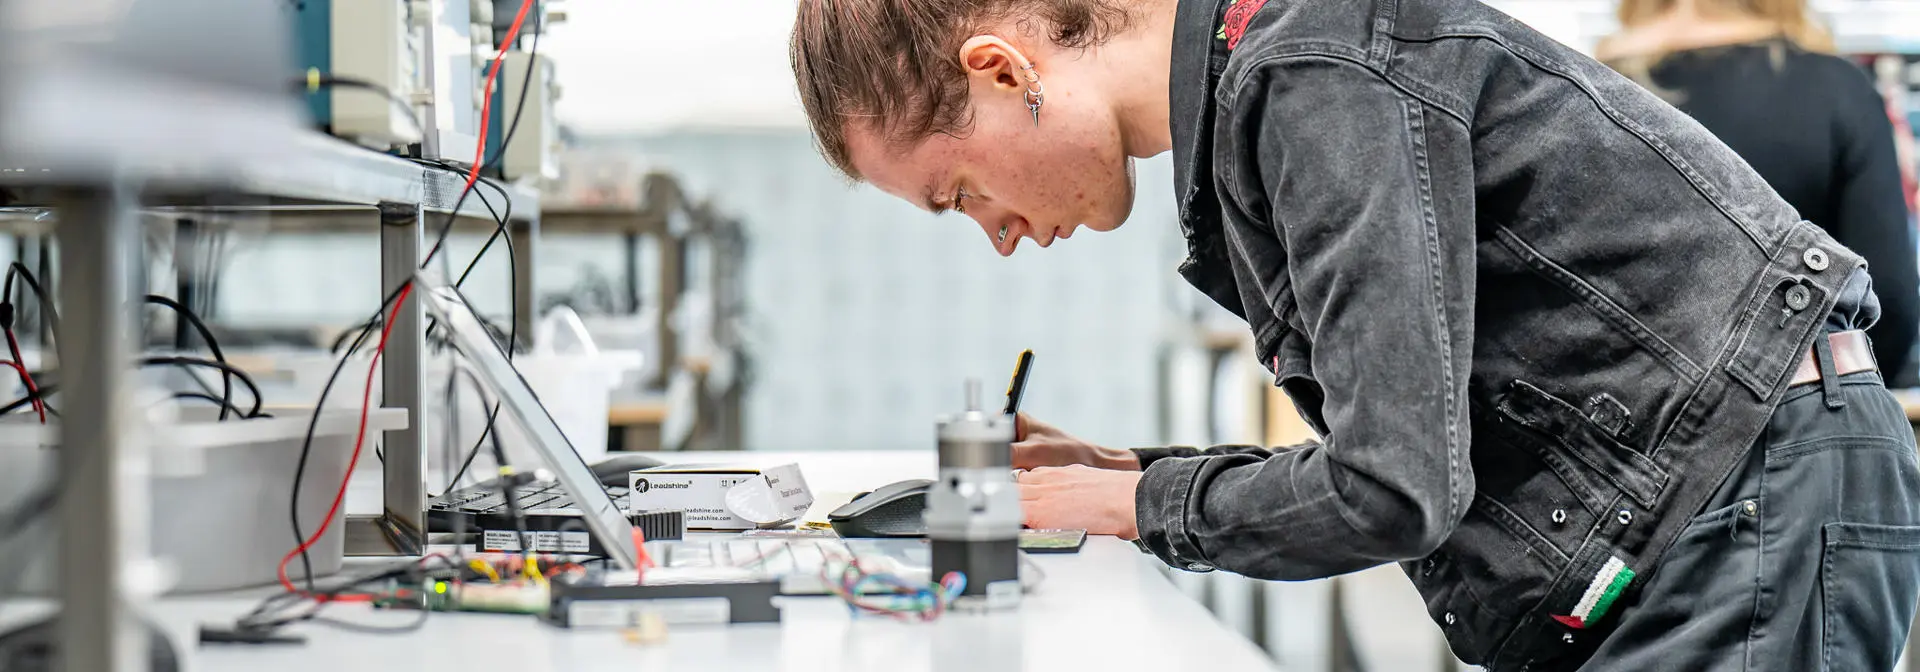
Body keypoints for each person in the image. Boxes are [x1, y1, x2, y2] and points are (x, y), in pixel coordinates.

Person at [789, 0, 1920, 669]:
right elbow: (1402, 446)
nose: (992, 236)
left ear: (1001, 70)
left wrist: (1136, 507)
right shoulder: (1270, 82)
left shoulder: (1313, 77)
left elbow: (1394, 486)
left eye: (957, 194)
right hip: (1715, 506)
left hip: (1755, 502)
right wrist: (1135, 474)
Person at [1599, 0, 1920, 385]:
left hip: (1626, 416)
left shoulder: (1595, 89)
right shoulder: (1835, 89)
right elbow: (1889, 301)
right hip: (1800, 411)